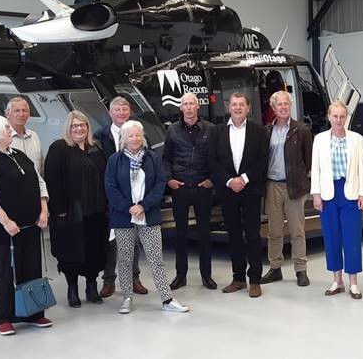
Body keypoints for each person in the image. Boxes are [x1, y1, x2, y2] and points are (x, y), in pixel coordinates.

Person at [0, 115, 52, 336]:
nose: (10, 130)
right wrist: (6, 221)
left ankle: (33, 313)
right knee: (7, 271)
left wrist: (44, 210)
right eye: (6, 128)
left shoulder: (18, 155)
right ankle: (5, 317)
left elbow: (39, 183)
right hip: (2, 229)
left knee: (32, 266)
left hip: (30, 225)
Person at [105, 120, 189, 314]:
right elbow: (110, 187)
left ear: (142, 137)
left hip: (148, 215)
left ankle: (167, 299)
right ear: (124, 138)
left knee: (156, 258)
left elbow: (160, 183)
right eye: (131, 136)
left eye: (137, 135)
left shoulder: (152, 158)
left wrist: (143, 205)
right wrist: (129, 207)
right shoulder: (114, 160)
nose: (134, 139)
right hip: (123, 217)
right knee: (125, 259)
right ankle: (127, 297)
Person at [44, 111, 109, 308]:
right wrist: (59, 209)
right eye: (75, 126)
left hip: (96, 211)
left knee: (94, 250)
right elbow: (52, 180)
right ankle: (72, 289)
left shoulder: (96, 146)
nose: (79, 129)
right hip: (70, 213)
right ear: (68, 128)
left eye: (83, 125)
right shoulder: (59, 148)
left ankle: (91, 286)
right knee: (70, 251)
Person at [209, 92, 269, 298]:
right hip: (227, 191)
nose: (237, 108)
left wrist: (243, 179)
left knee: (252, 235)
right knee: (233, 235)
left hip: (250, 190)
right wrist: (229, 181)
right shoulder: (217, 132)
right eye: (234, 105)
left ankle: (255, 280)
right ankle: (238, 278)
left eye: (241, 105)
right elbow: (213, 161)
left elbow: (262, 161)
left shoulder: (259, 131)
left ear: (248, 108)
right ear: (228, 107)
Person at [310, 100, 363, 300]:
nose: (338, 120)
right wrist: (316, 194)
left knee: (352, 237)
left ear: (346, 117)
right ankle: (337, 280)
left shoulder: (356, 139)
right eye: (335, 116)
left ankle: (353, 282)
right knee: (332, 236)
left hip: (350, 192)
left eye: (342, 116)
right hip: (328, 194)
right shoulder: (319, 140)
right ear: (329, 117)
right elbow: (315, 168)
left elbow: (362, 167)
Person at [93, 96, 148, 298]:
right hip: (110, 197)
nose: (121, 112)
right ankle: (109, 281)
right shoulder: (99, 136)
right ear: (110, 113)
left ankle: (134, 279)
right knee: (111, 240)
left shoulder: (139, 134)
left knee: (132, 240)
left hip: (133, 198)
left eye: (125, 109)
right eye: (117, 109)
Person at [163, 93, 217, 290]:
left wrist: (212, 179)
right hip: (181, 188)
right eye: (185, 104)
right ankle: (180, 275)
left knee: (204, 233)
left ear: (198, 107)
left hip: (203, 188)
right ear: (181, 108)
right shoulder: (173, 130)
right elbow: (166, 158)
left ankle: (207, 275)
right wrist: (169, 179)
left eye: (191, 104)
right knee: (180, 233)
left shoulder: (210, 129)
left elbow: (216, 157)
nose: (188, 108)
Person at [261, 91, 313, 287]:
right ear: (273, 108)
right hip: (272, 185)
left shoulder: (302, 130)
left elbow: (308, 161)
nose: (283, 107)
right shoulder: (266, 131)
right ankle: (275, 268)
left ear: (290, 106)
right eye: (279, 105)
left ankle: (301, 269)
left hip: (294, 187)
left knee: (297, 230)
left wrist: (303, 181)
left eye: (286, 104)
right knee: (274, 231)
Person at [5, 97, 43, 176]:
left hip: (36, 186)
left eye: (24, 110)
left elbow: (41, 165)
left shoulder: (34, 136)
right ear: (7, 114)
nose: (21, 114)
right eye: (17, 111)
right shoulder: (3, 138)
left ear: (29, 114)